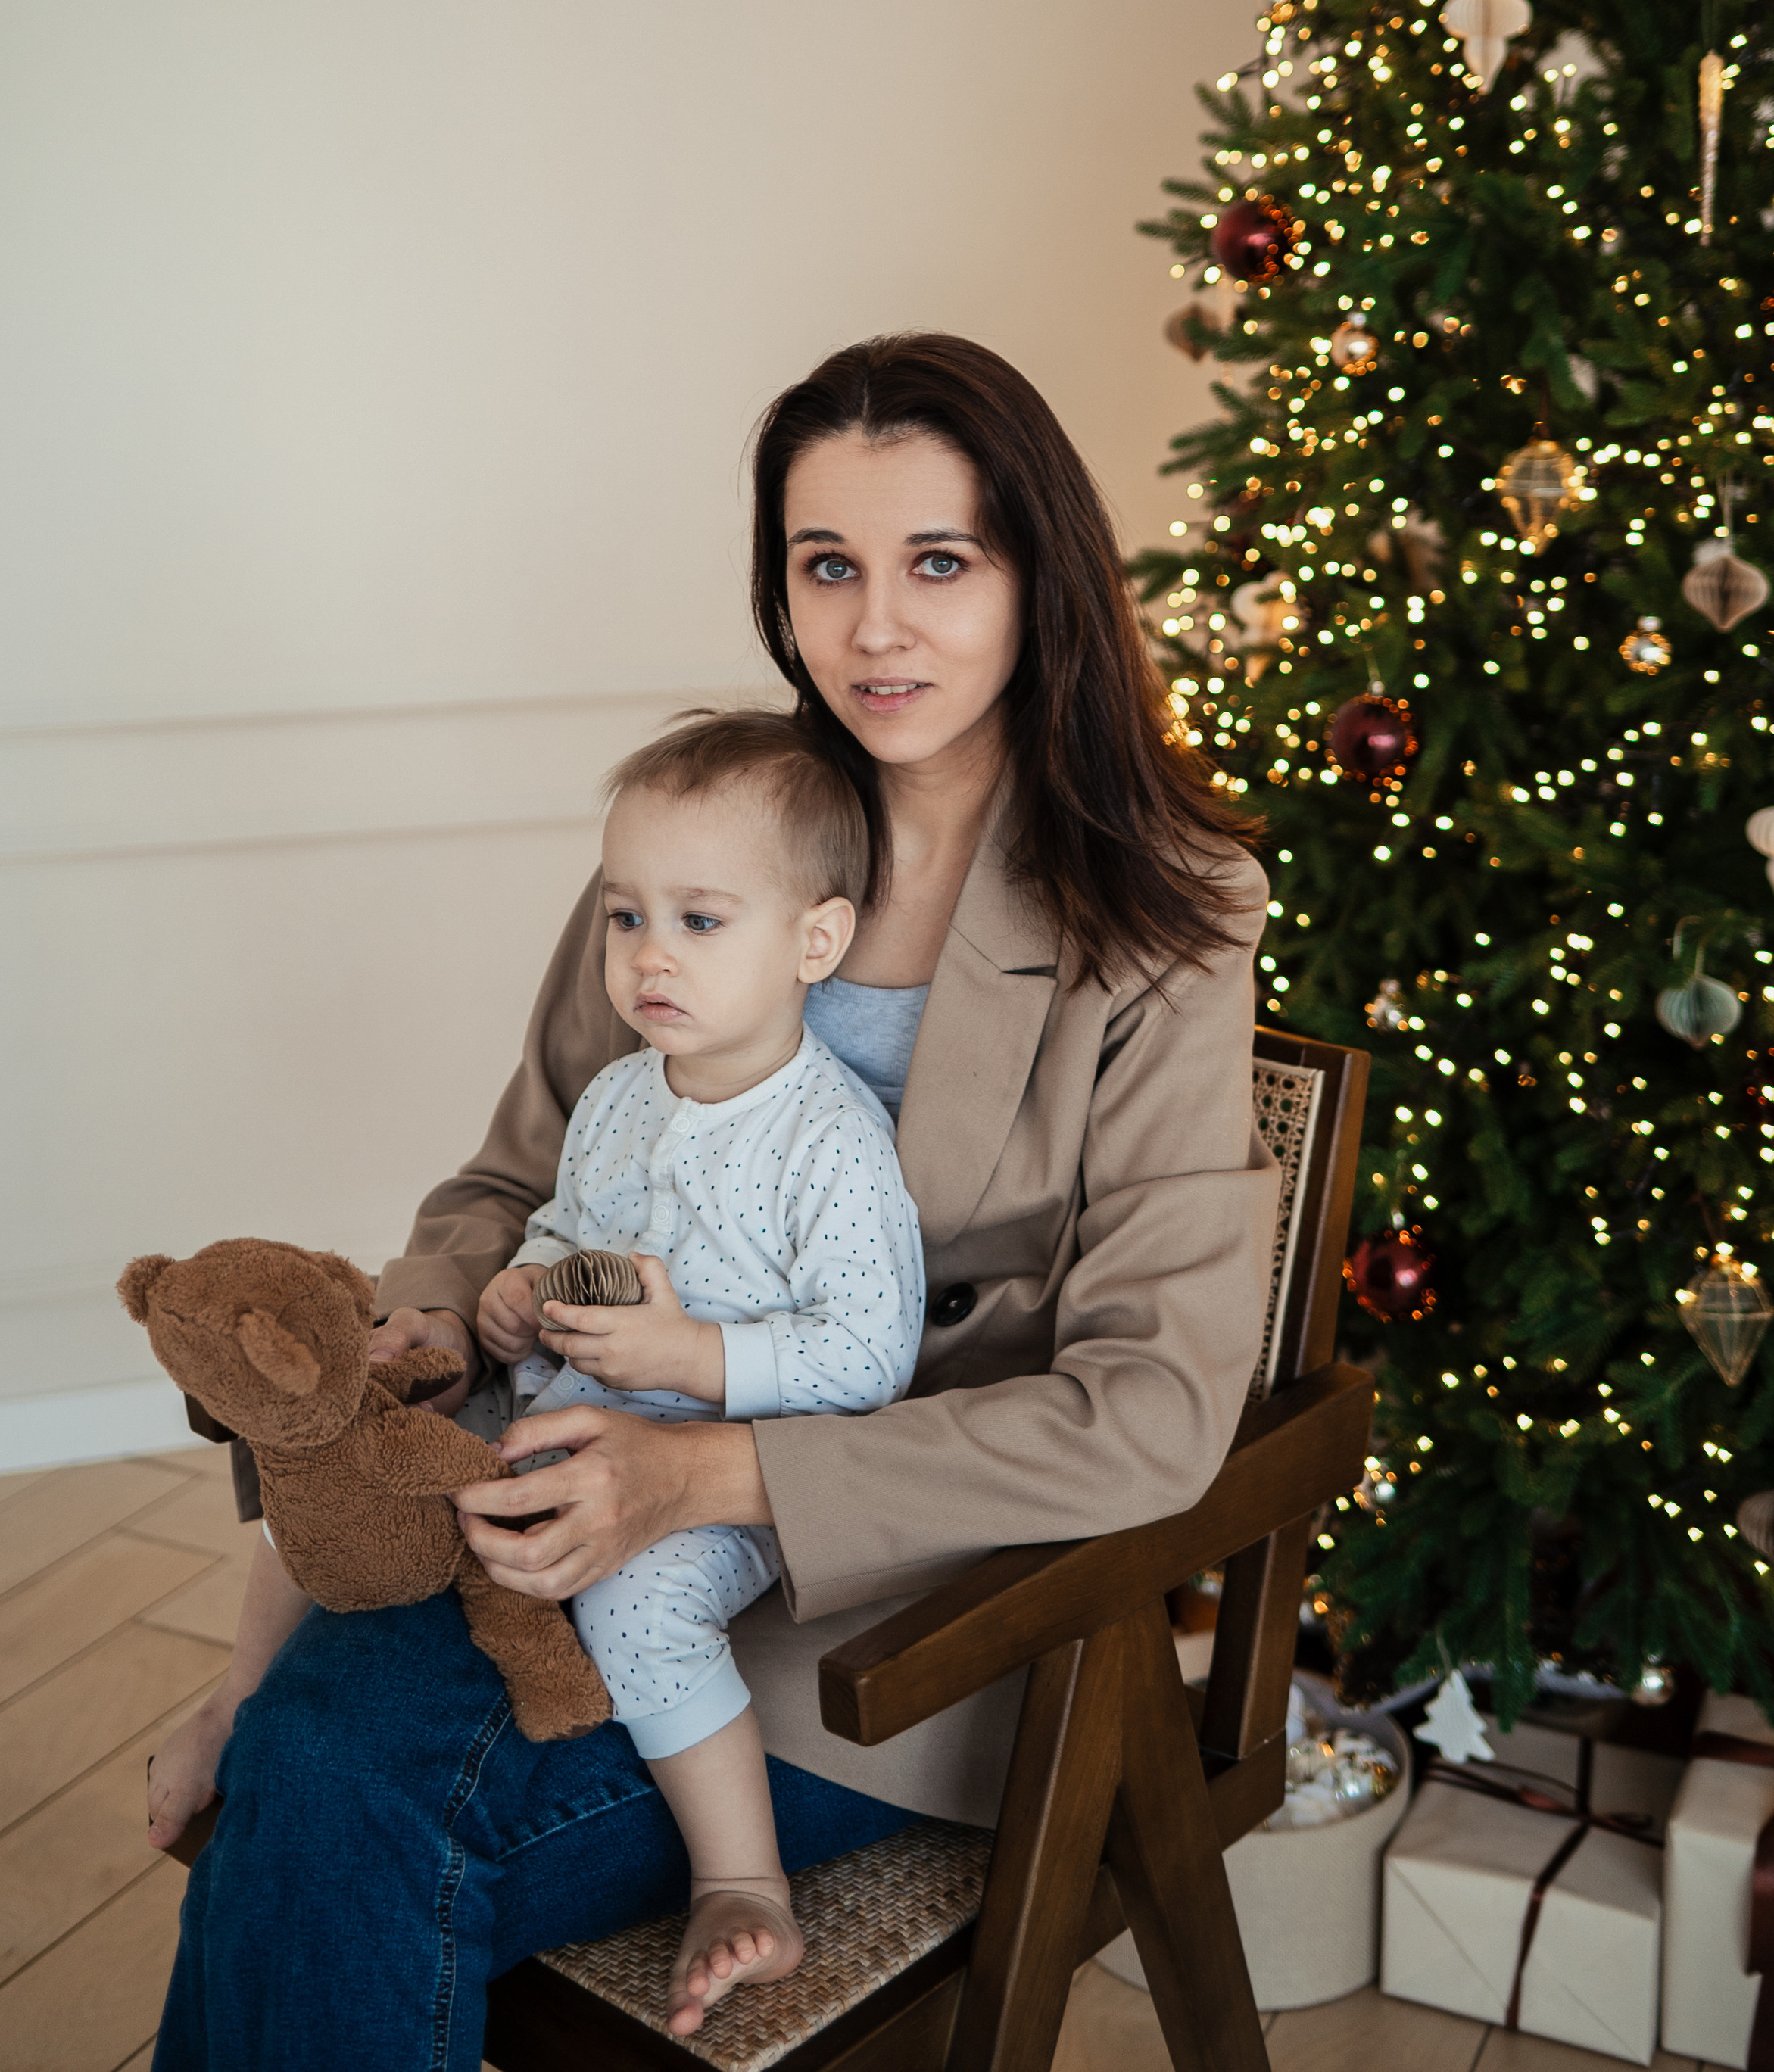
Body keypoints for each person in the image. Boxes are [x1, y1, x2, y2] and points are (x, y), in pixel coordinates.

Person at [148, 331, 1274, 2072]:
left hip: (885, 1628)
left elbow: (1150, 1406)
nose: (874, 628)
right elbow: (512, 1175)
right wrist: (435, 1317)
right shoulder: (707, 835)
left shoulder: (1162, 915)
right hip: (553, 1497)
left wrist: (713, 1472)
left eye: (937, 563)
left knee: (329, 1796)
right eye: (827, 566)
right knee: (310, 1758)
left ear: (1039, 578)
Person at [475, 709, 925, 2032]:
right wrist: (526, 1281)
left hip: (730, 1481)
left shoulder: (831, 1140)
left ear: (815, 943)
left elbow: (869, 1354)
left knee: (640, 1607)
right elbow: (570, 1227)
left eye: (700, 921)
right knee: (374, 1472)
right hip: (570, 1414)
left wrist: (693, 1357)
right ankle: (249, 1699)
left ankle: (741, 1877)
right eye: (627, 916)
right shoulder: (622, 1094)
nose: (649, 955)